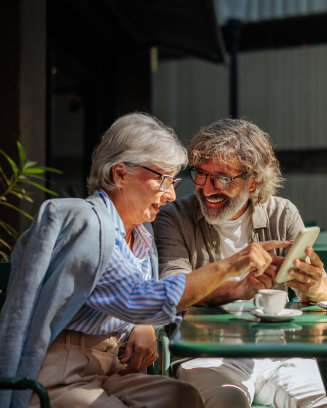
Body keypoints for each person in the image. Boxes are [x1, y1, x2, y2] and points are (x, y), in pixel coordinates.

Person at [0, 112, 288, 408]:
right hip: (59, 373)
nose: (172, 194)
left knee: (184, 398)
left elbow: (128, 300)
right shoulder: (87, 223)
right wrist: (230, 265)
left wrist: (142, 326)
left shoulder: (141, 235)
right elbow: (138, 299)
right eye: (162, 179)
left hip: (110, 368)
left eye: (174, 180)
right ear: (120, 174)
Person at [154, 118, 327, 408]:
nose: (207, 188)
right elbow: (171, 294)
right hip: (207, 354)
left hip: (282, 352)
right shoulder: (174, 217)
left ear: (253, 181)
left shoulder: (282, 213)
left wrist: (314, 286)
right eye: (200, 174)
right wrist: (238, 289)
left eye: (223, 178)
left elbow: (322, 292)